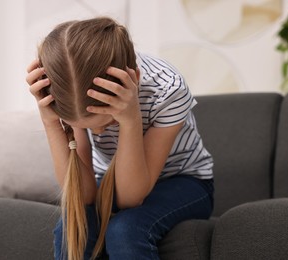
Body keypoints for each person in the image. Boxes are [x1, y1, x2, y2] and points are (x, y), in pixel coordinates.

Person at [26, 17, 214, 260]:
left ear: (134, 79)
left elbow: (129, 198)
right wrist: (51, 122)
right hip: (110, 179)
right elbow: (83, 196)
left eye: (106, 123)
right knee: (71, 230)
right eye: (86, 128)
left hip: (184, 179)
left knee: (125, 230)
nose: (100, 134)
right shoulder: (74, 92)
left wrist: (129, 120)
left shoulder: (168, 89)